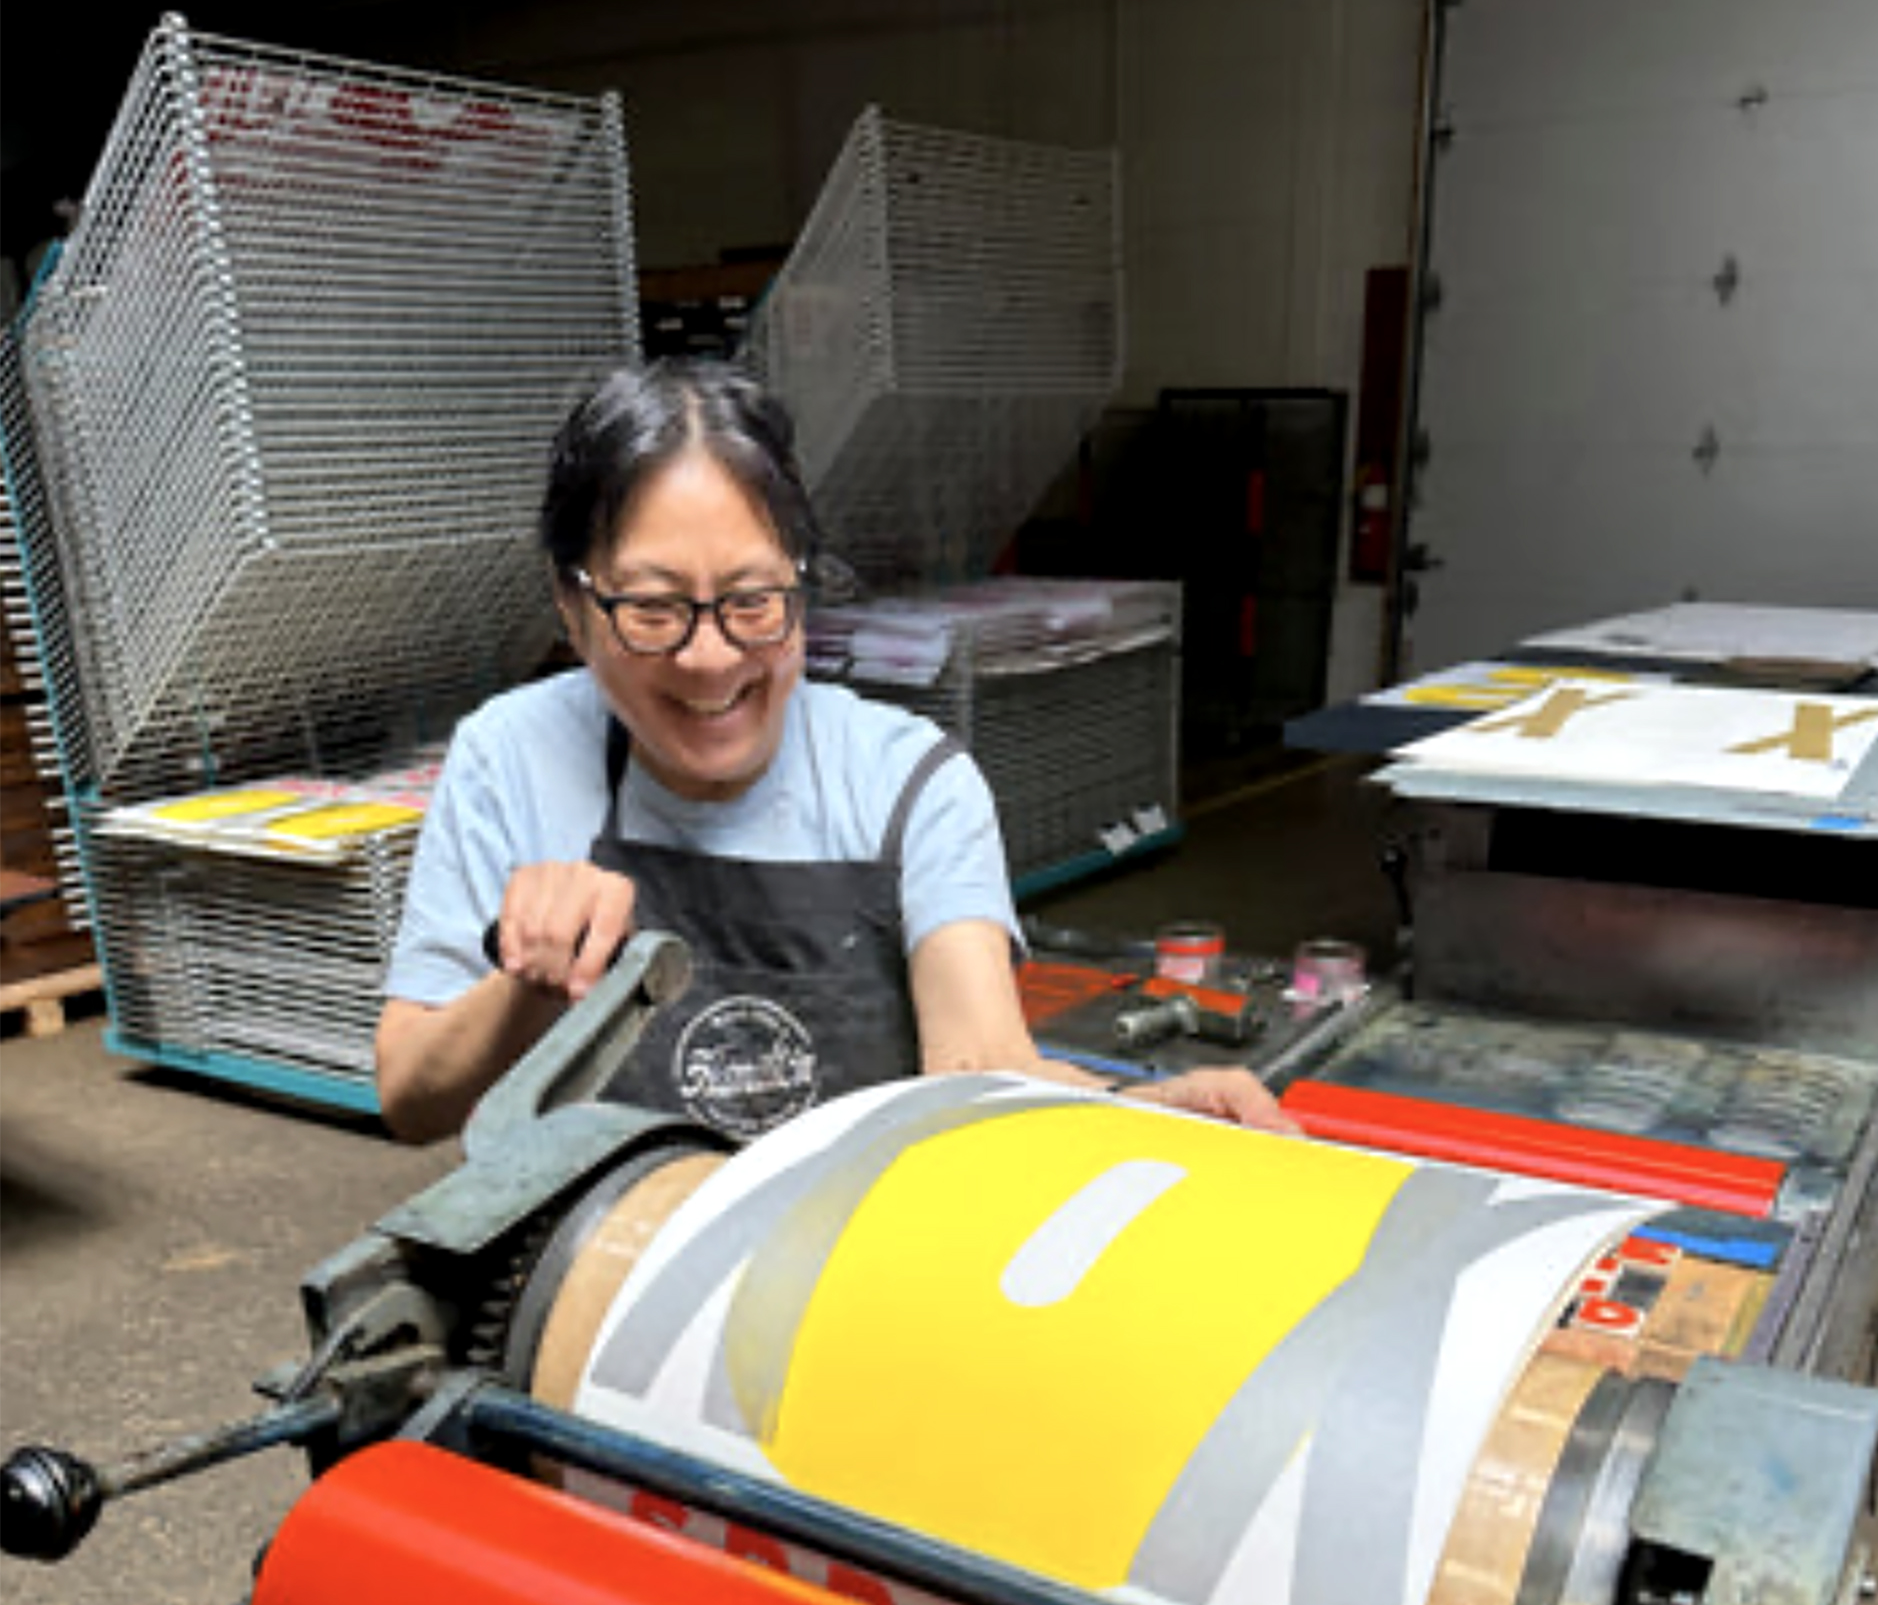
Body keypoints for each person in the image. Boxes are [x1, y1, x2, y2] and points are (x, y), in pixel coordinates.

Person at [376, 359, 1290, 1146]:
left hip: (834, 1279)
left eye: (752, 601)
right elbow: (411, 1099)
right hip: (597, 1283)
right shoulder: (510, 758)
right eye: (653, 609)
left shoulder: (908, 781)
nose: (709, 657)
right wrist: (529, 984)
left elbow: (978, 1068)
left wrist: (1144, 1106)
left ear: (804, 588)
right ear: (573, 609)